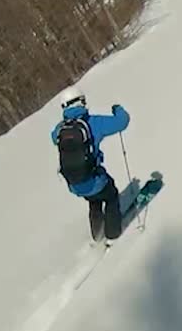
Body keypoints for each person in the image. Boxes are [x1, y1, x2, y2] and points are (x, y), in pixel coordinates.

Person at [51, 88, 131, 243]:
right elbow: (122, 122)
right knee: (110, 194)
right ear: (79, 102)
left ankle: (97, 235)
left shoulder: (60, 129)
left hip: (75, 184)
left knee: (93, 201)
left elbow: (54, 138)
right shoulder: (93, 123)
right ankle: (113, 234)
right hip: (94, 180)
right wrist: (118, 109)